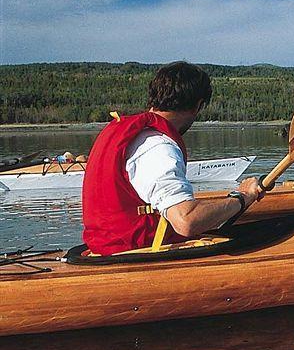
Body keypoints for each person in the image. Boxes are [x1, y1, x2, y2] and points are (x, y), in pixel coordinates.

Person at [82, 61, 264, 255]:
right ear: (198, 105)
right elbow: (186, 221)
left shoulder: (124, 132)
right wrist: (243, 197)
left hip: (106, 248)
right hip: (137, 255)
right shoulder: (159, 146)